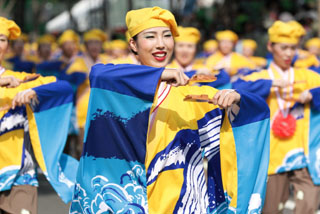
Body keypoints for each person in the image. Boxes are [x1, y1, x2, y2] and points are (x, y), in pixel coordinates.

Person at [70, 7, 270, 213]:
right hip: (125, 199)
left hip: (180, 202)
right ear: (133, 44)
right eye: (150, 36)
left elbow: (256, 111)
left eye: (167, 36)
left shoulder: (192, 95)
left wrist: (238, 99)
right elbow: (99, 74)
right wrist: (159, 74)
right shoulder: (118, 91)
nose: (161, 44)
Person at [233, 20, 320, 214]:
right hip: (271, 160)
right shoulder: (260, 77)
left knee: (308, 206)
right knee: (270, 210)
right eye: (284, 48)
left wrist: (313, 94)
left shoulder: (308, 77)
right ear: (270, 46)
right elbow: (236, 89)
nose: (289, 53)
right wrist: (269, 85)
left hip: (303, 158)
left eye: (293, 48)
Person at [0, 17, 78, 214]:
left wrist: (36, 92)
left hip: (18, 178)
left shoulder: (20, 80)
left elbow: (63, 87)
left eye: (1, 39)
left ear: (7, 46)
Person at [65, 28, 109, 158]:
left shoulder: (106, 60)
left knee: (102, 146)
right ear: (85, 46)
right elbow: (70, 80)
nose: (95, 46)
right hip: (83, 109)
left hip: (103, 108)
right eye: (91, 42)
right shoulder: (79, 62)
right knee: (83, 148)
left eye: (97, 42)